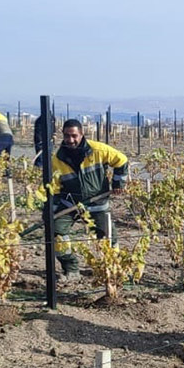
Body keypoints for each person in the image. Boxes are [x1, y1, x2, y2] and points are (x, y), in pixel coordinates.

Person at [48, 119, 129, 279]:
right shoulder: (58, 159)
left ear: (82, 134)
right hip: (70, 203)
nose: (70, 140)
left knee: (108, 238)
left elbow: (122, 160)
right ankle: (71, 268)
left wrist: (118, 182)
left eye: (74, 136)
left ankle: (113, 270)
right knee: (56, 233)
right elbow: (55, 188)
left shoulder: (97, 149)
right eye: (66, 136)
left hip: (97, 203)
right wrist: (51, 209)